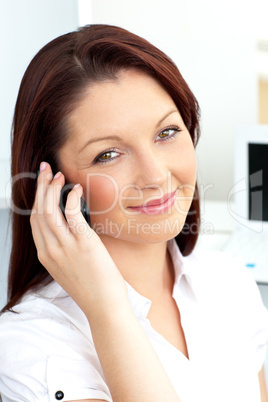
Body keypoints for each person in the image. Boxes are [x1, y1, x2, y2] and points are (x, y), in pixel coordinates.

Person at [0, 24, 267, 402]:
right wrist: (109, 308)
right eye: (108, 154)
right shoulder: (32, 341)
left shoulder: (229, 284)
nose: (156, 175)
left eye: (167, 132)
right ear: (54, 187)